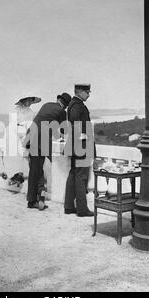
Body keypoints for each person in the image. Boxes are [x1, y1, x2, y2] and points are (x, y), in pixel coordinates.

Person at [26, 93, 72, 210]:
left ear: (58, 99)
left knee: (36, 169)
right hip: (41, 141)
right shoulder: (62, 112)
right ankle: (32, 201)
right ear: (65, 105)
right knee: (36, 170)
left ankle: (38, 196)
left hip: (31, 136)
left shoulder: (47, 105)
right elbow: (63, 130)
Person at [64, 83, 95, 217]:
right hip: (81, 145)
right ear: (80, 91)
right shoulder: (77, 105)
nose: (89, 94)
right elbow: (74, 120)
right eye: (87, 92)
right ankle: (82, 209)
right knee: (81, 177)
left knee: (73, 175)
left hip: (75, 144)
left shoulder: (73, 103)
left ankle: (69, 206)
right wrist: (81, 135)